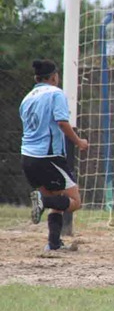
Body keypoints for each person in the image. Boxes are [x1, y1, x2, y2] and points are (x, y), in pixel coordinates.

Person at [20, 59, 89, 251]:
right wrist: (79, 142)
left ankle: (54, 244)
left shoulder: (27, 98)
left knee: (58, 200)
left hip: (27, 158)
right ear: (53, 77)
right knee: (74, 202)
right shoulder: (55, 93)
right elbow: (61, 122)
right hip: (48, 157)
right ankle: (42, 202)